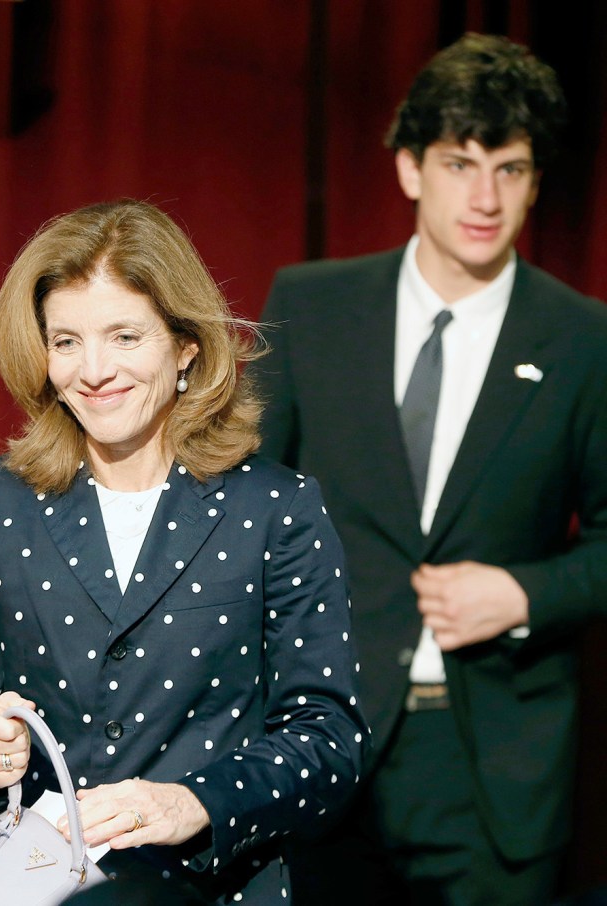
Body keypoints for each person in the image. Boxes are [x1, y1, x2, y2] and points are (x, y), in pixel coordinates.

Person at [0, 199, 369, 904]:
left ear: (186, 346)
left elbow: (330, 740)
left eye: (125, 337)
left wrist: (191, 803)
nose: (93, 369)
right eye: (66, 341)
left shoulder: (275, 507)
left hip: (214, 889)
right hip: (37, 886)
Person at [252, 32, 607, 906]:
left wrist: (527, 594)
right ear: (410, 167)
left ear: (535, 180)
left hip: (493, 771)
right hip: (321, 737)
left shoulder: (584, 339)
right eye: (459, 164)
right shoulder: (310, 304)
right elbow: (243, 509)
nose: (485, 197)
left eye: (512, 170)